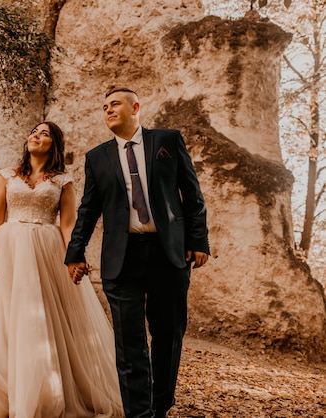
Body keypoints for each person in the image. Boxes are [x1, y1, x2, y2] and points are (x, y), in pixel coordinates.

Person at [0, 122, 124, 417]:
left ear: (54, 143)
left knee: (40, 315)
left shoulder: (62, 182)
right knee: (4, 314)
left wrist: (75, 257)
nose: (36, 136)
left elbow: (68, 224)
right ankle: (1, 386)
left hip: (46, 249)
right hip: (9, 248)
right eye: (33, 132)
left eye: (44, 133)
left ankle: (41, 387)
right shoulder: (7, 175)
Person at [65, 87, 210, 418]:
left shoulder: (168, 141)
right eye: (104, 107)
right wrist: (76, 251)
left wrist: (198, 240)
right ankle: (139, 414)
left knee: (168, 334)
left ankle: (161, 406)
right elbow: (88, 210)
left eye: (115, 104)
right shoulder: (97, 157)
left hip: (168, 253)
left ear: (136, 107)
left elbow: (192, 193)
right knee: (129, 343)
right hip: (121, 257)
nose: (108, 110)